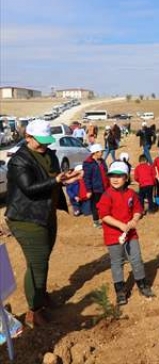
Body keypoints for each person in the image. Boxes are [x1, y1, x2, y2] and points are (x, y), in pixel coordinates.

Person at [5, 119, 82, 327]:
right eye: (40, 141)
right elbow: (29, 188)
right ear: (28, 137)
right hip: (26, 217)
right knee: (37, 263)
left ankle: (41, 295)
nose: (45, 145)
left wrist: (67, 179)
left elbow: (56, 178)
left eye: (47, 141)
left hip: (45, 214)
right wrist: (56, 181)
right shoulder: (19, 160)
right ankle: (34, 310)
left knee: (42, 259)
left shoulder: (50, 155)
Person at [97, 161, 155, 306]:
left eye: (119, 176)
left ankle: (142, 285)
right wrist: (121, 225)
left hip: (130, 234)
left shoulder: (131, 194)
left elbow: (138, 209)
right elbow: (104, 215)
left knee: (136, 259)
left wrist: (135, 219)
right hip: (113, 235)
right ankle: (120, 291)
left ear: (126, 178)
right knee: (117, 262)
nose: (115, 179)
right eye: (112, 176)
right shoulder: (107, 195)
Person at [83, 143, 109, 228]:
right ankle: (96, 221)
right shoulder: (88, 163)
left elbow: (106, 173)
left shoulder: (102, 161)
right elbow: (87, 178)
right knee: (95, 205)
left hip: (104, 187)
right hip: (95, 189)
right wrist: (89, 190)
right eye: (101, 152)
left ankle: (106, 220)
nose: (102, 153)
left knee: (105, 204)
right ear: (95, 152)